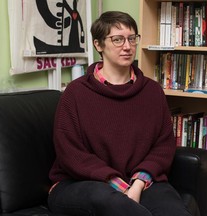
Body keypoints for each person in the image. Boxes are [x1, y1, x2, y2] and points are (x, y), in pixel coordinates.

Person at [47, 11, 194, 216]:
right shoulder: (75, 93)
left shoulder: (152, 91)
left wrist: (138, 184)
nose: (127, 46)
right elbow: (71, 154)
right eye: (117, 40)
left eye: (132, 39)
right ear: (98, 45)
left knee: (174, 211)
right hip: (81, 184)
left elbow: (163, 145)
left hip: (140, 182)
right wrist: (119, 186)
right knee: (120, 207)